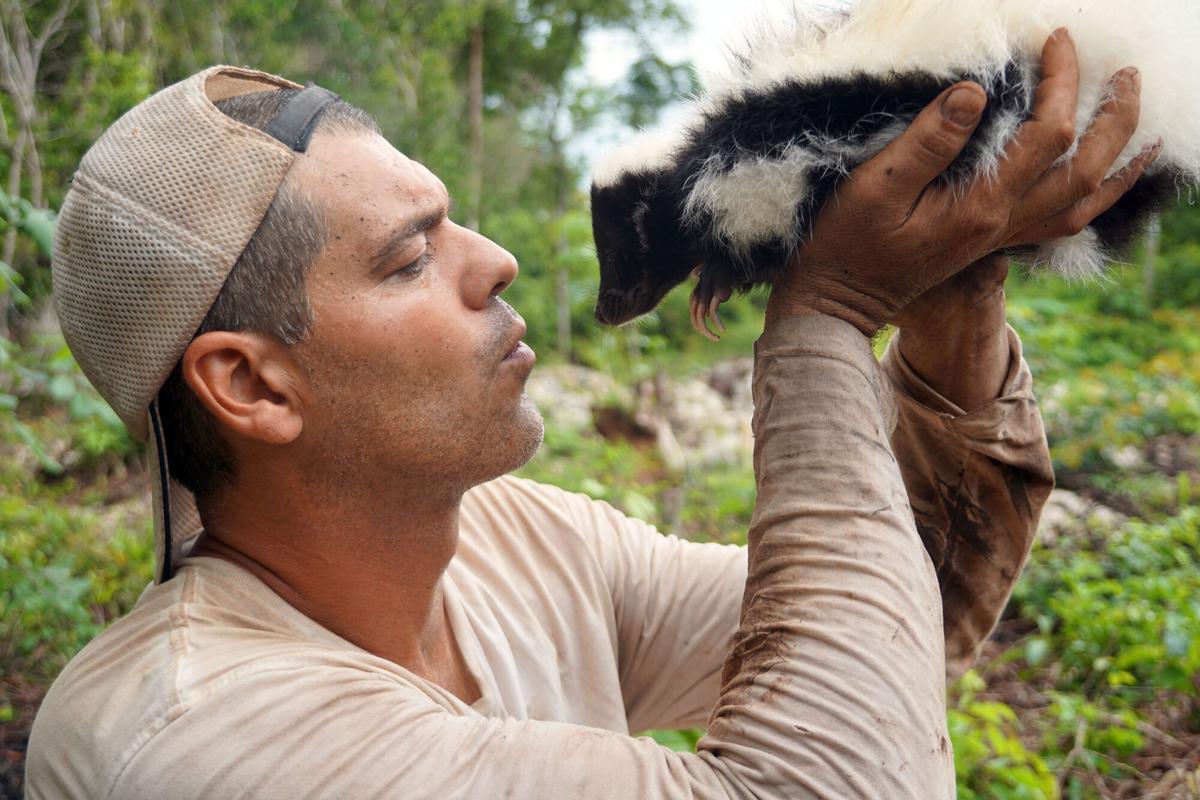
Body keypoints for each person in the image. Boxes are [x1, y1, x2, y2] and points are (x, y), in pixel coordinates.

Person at [26, 29, 1151, 799]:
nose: (499, 261)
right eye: (411, 256)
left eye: (453, 222)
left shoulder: (524, 539)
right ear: (254, 385)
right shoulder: (196, 732)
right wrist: (834, 312)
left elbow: (911, 602)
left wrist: (959, 274)